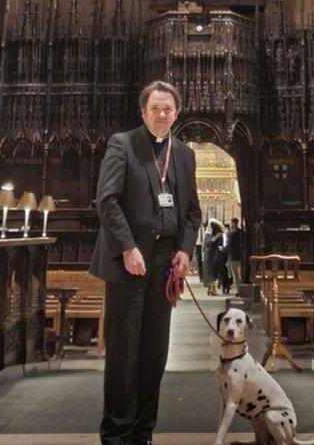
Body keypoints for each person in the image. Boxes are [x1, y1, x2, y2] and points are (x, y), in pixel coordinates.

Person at [90, 80, 202, 445]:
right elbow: (107, 201)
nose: (161, 115)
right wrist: (126, 247)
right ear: (143, 112)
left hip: (165, 265)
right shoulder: (122, 145)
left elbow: (193, 213)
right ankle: (117, 434)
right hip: (129, 263)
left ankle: (143, 432)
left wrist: (185, 250)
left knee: (154, 353)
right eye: (154, 109)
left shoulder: (184, 155)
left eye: (168, 109)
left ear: (177, 113)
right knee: (124, 353)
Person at [204, 219, 225, 295]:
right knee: (212, 273)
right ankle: (212, 289)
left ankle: (212, 289)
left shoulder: (218, 235)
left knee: (213, 273)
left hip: (215, 256)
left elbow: (220, 245)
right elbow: (208, 243)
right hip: (211, 256)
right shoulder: (209, 235)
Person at [227, 217, 244, 289]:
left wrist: (223, 249)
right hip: (241, 255)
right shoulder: (241, 232)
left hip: (233, 255)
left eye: (231, 223)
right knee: (240, 273)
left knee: (235, 274)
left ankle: (239, 289)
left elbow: (229, 244)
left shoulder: (231, 233)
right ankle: (242, 287)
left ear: (233, 223)